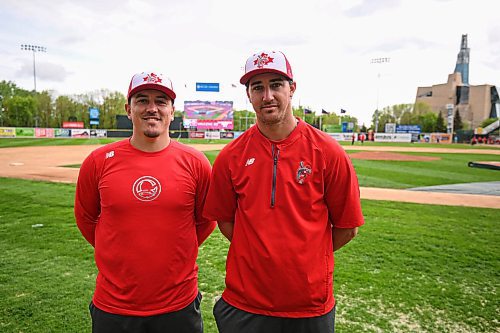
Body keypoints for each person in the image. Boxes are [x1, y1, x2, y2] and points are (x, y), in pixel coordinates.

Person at [203, 51, 365, 332]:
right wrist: (258, 254)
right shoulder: (231, 156)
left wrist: (305, 257)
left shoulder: (328, 152)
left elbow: (347, 227)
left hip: (309, 305)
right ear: (249, 95)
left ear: (292, 88)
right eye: (258, 87)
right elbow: (225, 221)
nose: (267, 95)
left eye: (276, 84)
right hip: (245, 303)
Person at [74, 71, 216, 333]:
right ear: (129, 109)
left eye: (161, 101)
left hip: (179, 305)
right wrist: (118, 249)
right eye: (142, 100)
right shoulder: (98, 162)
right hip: (114, 307)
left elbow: (205, 221)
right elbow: (85, 218)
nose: (152, 108)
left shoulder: (196, 163)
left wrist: (173, 250)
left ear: (172, 111)